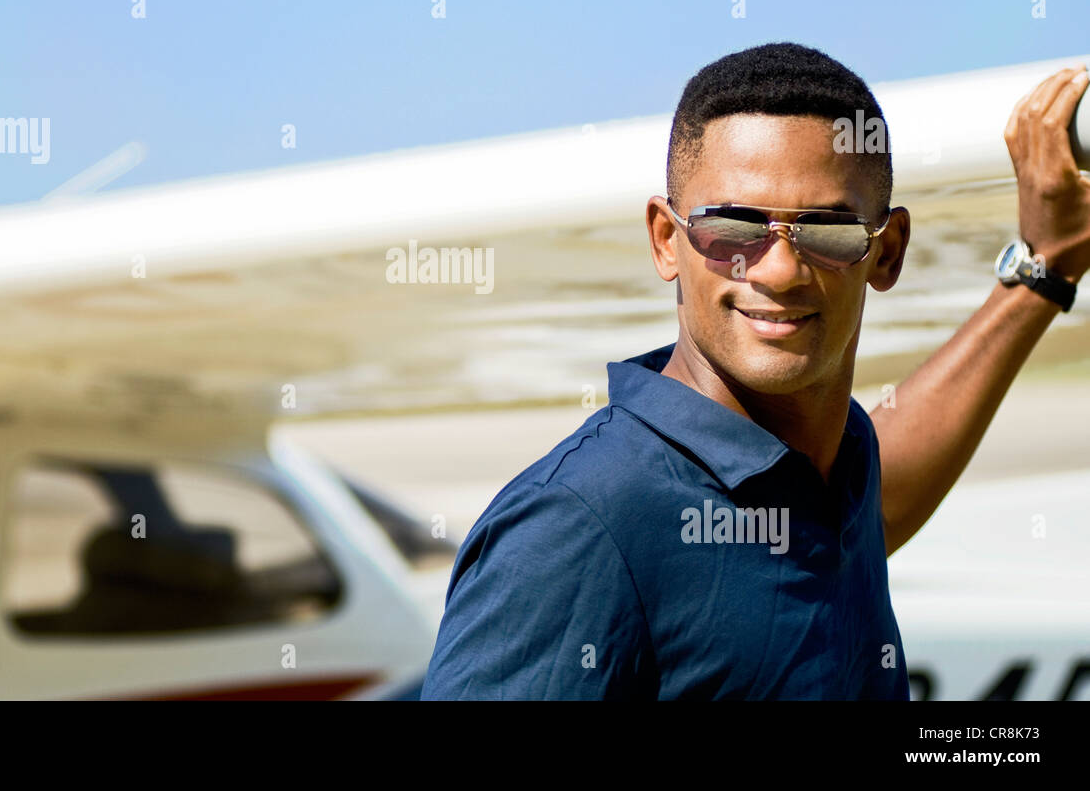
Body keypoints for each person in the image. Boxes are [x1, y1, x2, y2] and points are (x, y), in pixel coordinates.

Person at [420, 42, 1090, 699]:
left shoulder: (833, 477)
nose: (777, 269)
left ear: (887, 253)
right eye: (733, 227)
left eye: (827, 230)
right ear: (665, 239)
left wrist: (1046, 268)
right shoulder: (576, 529)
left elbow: (881, 494)